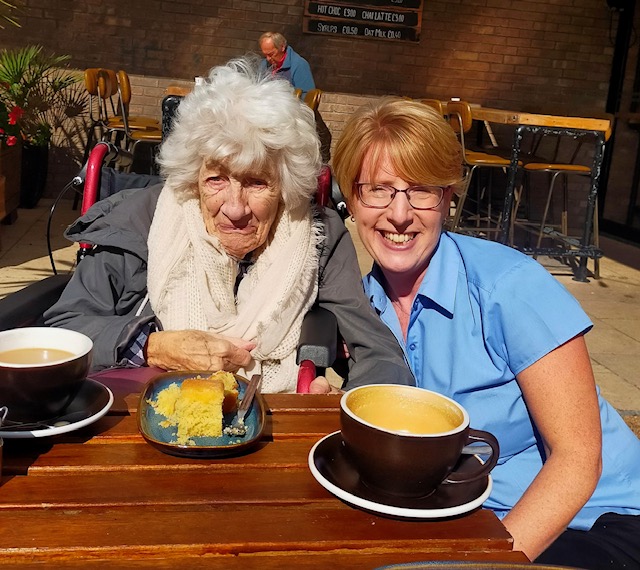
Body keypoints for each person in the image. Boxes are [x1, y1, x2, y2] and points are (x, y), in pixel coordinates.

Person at [329, 97, 640, 568]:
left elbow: (578, 459)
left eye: (421, 190)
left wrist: (484, 561)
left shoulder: (507, 286)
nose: (398, 214)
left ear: (449, 198)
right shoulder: (364, 302)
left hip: (593, 519)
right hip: (470, 514)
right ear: (351, 200)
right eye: (378, 189)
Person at [43, 59, 414, 394]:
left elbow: (377, 351)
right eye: (217, 179)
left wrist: (353, 411)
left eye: (256, 183)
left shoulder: (319, 233)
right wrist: (152, 345)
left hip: (268, 420)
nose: (235, 208)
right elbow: (64, 331)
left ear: (285, 185)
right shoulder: (139, 219)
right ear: (193, 176)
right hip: (140, 416)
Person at [258, 32, 315, 98]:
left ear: (282, 47)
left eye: (271, 54)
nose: (268, 59)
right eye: (265, 55)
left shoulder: (299, 65)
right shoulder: (264, 64)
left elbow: (308, 96)